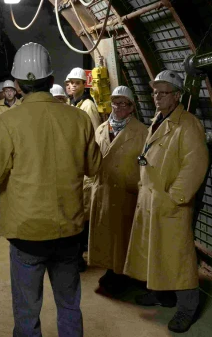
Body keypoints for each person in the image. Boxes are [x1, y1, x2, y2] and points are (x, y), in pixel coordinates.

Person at [0, 42, 102, 337]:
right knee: (69, 304)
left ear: (18, 84)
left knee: (27, 309)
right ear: (51, 79)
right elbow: (94, 167)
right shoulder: (79, 119)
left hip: (27, 232)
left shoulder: (6, 123)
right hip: (68, 229)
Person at [124, 70, 209, 334]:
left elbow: (194, 165)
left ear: (177, 95)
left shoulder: (188, 124)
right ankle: (162, 295)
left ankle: (187, 308)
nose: (157, 97)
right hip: (153, 198)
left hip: (170, 203)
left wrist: (175, 198)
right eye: (155, 92)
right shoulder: (159, 120)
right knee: (156, 251)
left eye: (164, 93)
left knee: (179, 257)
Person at [88, 86, 147, 295]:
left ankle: (122, 273)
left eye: (124, 103)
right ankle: (111, 270)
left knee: (123, 236)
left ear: (132, 107)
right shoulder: (101, 129)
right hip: (103, 190)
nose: (119, 106)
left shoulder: (142, 132)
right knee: (106, 235)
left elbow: (146, 164)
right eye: (116, 102)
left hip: (127, 191)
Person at [65, 67, 101, 271]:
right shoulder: (74, 104)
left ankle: (80, 257)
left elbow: (94, 136)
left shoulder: (88, 106)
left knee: (83, 213)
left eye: (76, 83)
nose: (72, 86)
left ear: (84, 85)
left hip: (84, 166)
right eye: (70, 83)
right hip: (75, 165)